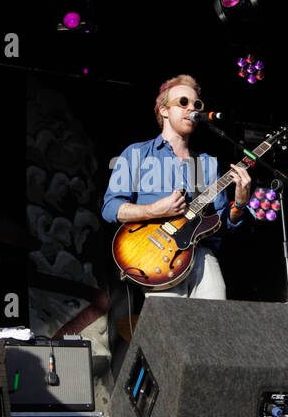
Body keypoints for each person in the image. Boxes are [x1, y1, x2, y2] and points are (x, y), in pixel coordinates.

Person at [101, 74, 251, 299]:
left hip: (200, 254)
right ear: (164, 110)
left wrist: (239, 204)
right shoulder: (136, 153)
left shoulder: (207, 163)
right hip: (156, 256)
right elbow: (111, 208)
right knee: (170, 329)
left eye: (196, 105)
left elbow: (221, 224)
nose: (192, 108)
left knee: (217, 323)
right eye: (183, 102)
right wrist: (156, 209)